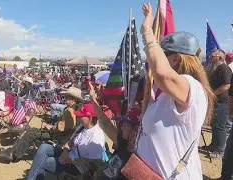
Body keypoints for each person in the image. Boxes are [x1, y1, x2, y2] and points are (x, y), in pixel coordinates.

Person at [121, 4, 214, 179]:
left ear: (176, 59)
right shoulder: (165, 94)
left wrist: (147, 31)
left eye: (163, 56)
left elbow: (163, 73)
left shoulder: (191, 86)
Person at [0, 87, 84, 162]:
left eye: (67, 96)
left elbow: (63, 127)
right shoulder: (74, 108)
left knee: (31, 133)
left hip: (59, 136)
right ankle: (13, 151)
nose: (64, 98)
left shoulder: (70, 110)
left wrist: (51, 127)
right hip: (62, 135)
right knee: (31, 131)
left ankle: (13, 154)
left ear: (73, 99)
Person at [26, 103, 106, 180]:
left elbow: (91, 165)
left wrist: (69, 158)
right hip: (68, 154)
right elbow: (70, 142)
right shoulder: (82, 127)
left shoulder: (96, 137)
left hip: (77, 166)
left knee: (42, 161)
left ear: (90, 117)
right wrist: (65, 151)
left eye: (82, 115)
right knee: (43, 147)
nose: (79, 117)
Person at [206, 49, 232, 158]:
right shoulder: (215, 68)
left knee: (220, 127)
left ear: (220, 58)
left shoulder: (224, 68)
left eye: (213, 57)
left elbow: (226, 85)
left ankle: (219, 150)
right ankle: (213, 145)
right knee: (214, 125)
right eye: (210, 57)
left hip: (222, 103)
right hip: (215, 102)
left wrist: (212, 94)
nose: (210, 59)